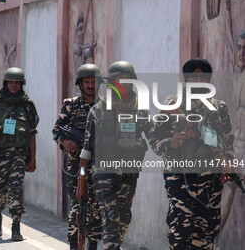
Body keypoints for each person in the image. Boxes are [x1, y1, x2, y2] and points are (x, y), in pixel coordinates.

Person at [149, 58, 235, 250]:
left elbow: (227, 142)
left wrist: (226, 165)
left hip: (210, 180)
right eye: (193, 76)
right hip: (179, 176)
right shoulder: (172, 105)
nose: (197, 80)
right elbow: (154, 140)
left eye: (201, 76)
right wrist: (170, 143)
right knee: (180, 229)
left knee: (206, 233)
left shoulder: (219, 108)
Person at [79, 61, 152, 250]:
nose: (124, 83)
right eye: (120, 79)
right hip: (104, 174)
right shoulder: (98, 110)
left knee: (123, 221)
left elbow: (154, 134)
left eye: (128, 79)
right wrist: (81, 181)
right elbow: (86, 150)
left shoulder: (140, 109)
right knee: (111, 225)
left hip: (128, 174)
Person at [0, 67, 39, 241]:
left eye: (17, 82)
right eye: (11, 82)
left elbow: (31, 134)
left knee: (16, 188)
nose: (14, 85)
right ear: (6, 83)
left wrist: (33, 159)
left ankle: (16, 225)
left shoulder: (28, 106)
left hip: (19, 155)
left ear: (22, 84)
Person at [53, 64, 102, 250]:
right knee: (77, 204)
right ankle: (74, 243)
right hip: (76, 166)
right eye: (87, 82)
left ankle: (93, 244)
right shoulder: (70, 105)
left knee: (96, 206)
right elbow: (56, 130)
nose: (90, 85)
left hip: (99, 164)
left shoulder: (106, 105)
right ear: (80, 84)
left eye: (93, 82)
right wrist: (65, 143)